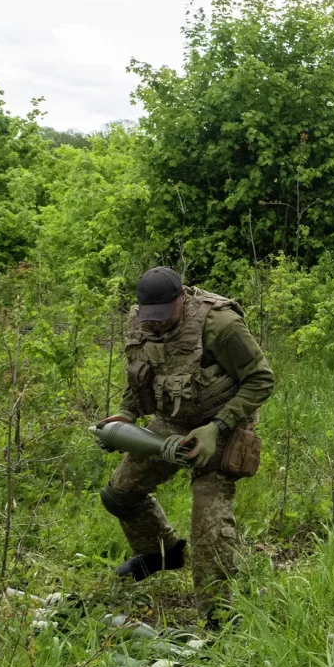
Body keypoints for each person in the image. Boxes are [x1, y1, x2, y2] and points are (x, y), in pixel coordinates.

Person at [95, 266, 274, 630]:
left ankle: (218, 617)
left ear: (181, 298)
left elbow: (261, 379)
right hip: (172, 420)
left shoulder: (220, 324)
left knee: (209, 527)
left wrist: (217, 427)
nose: (157, 325)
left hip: (223, 422)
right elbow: (141, 374)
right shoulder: (141, 323)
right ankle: (161, 552)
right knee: (120, 494)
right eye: (151, 317)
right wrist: (127, 415)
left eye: (165, 315)